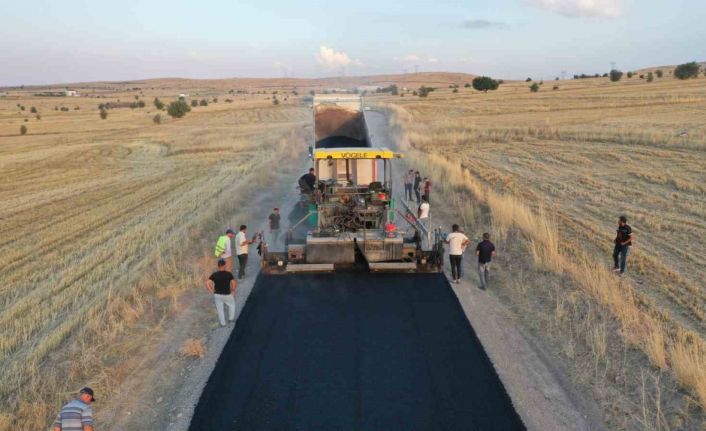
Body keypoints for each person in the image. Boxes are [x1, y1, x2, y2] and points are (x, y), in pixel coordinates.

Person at [206, 258, 237, 327]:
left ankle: (223, 324)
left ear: (218, 266)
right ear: (224, 265)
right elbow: (233, 283)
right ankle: (231, 319)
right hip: (227, 294)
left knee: (220, 310)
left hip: (217, 295)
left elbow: (207, 283)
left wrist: (212, 290)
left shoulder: (214, 274)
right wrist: (233, 290)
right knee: (232, 305)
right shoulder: (228, 274)